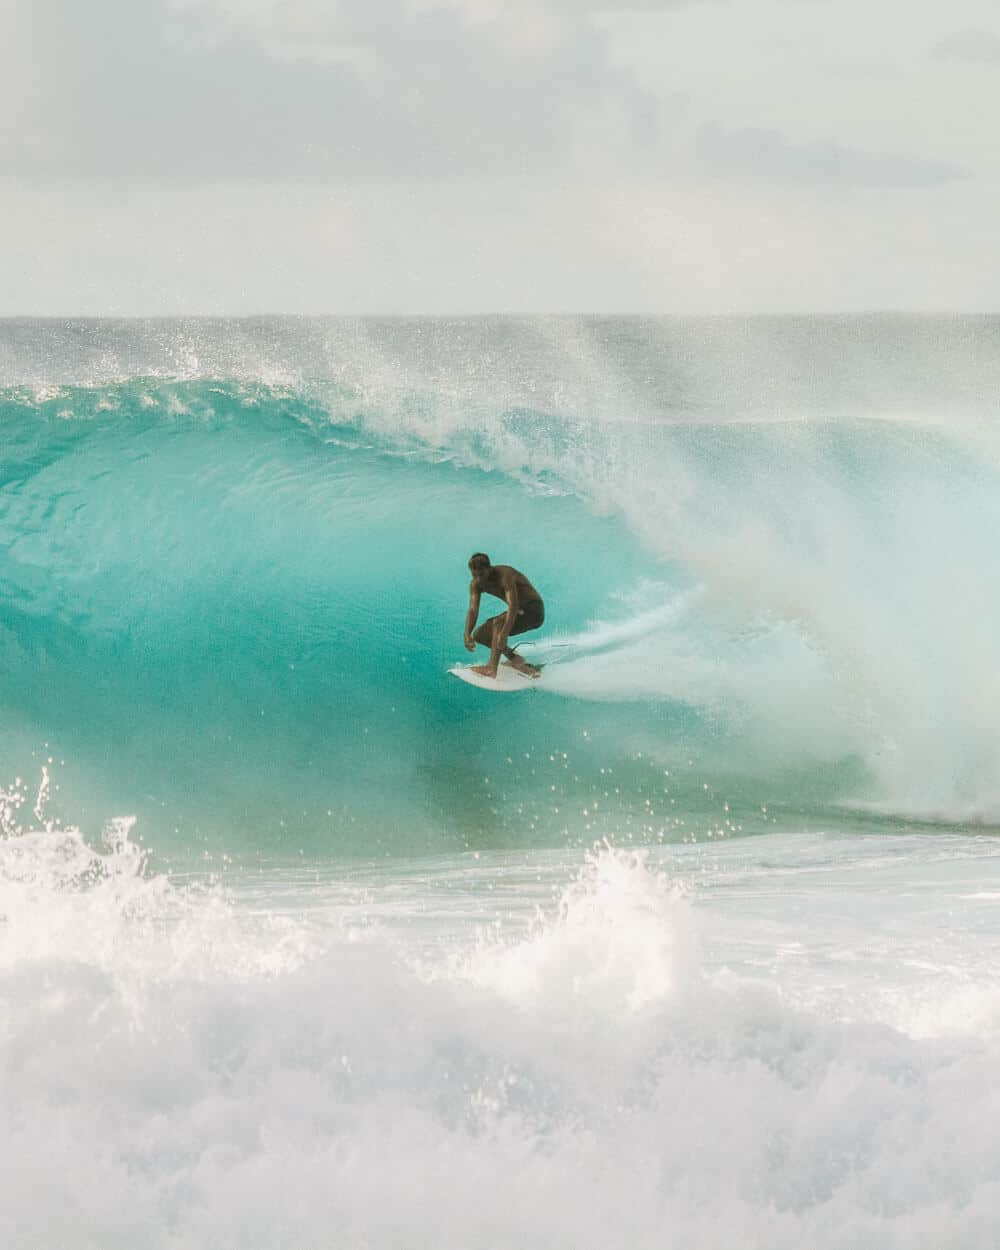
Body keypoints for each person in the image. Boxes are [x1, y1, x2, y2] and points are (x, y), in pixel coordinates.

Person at [464, 553, 544, 679]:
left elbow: (513, 605)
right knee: (480, 635)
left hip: (534, 611)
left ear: (489, 568)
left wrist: (504, 633)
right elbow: (473, 610)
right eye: (475, 575)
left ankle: (491, 669)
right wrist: (467, 634)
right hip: (518, 612)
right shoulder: (476, 584)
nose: (479, 579)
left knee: (498, 623)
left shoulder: (505, 575)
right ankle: (516, 660)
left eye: (482, 574)